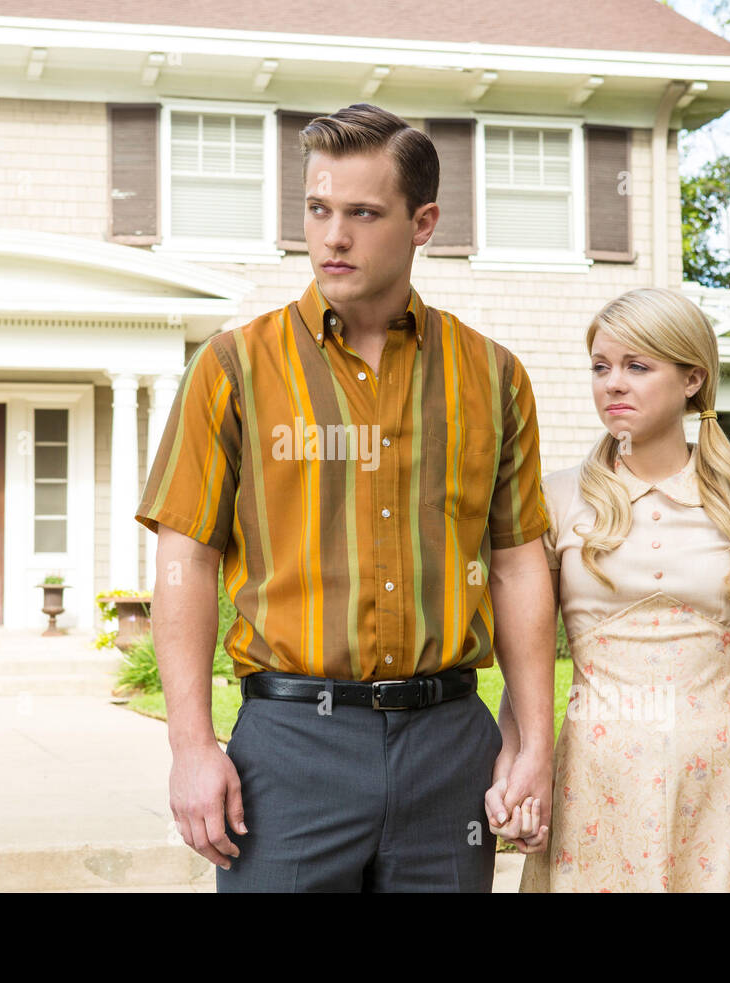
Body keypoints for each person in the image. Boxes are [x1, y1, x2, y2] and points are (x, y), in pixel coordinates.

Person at [134, 103, 556, 892]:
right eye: (318, 209)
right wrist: (190, 744)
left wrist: (535, 739)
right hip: (289, 748)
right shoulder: (231, 369)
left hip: (448, 752)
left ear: (422, 222)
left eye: (363, 213)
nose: (333, 236)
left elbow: (517, 563)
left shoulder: (493, 376)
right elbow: (185, 560)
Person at [495, 287, 730, 892]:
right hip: (592, 789)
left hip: (718, 794)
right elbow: (526, 661)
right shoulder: (555, 500)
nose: (613, 383)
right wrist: (518, 761)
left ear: (693, 379)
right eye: (600, 367)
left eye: (637, 366)